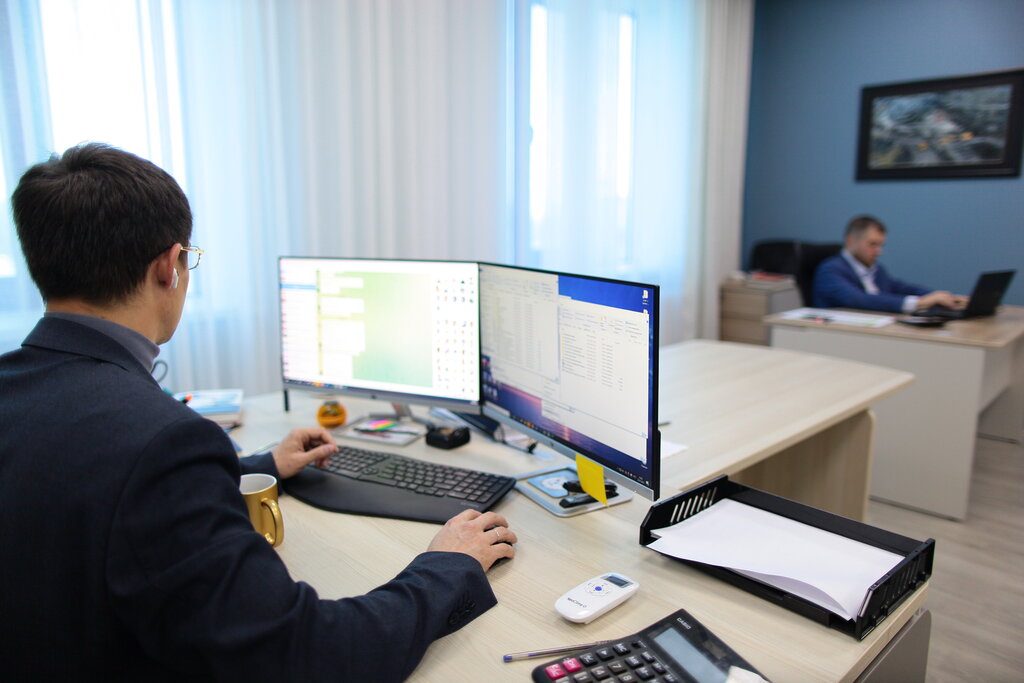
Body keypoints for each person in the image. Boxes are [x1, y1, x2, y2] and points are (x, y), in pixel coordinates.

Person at [0, 143, 517, 681]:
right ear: (168, 267)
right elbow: (308, 656)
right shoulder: (165, 442)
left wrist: (258, 466)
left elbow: (90, 488)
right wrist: (447, 565)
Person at [812, 215, 967, 314]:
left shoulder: (874, 269)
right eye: (872, 244)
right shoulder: (830, 270)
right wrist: (921, 302)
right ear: (851, 241)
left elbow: (900, 288)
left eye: (881, 245)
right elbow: (858, 300)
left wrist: (943, 298)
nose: (879, 251)